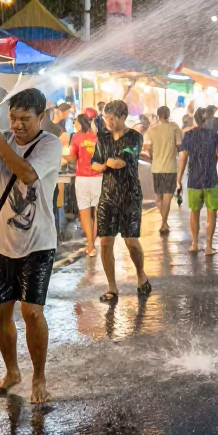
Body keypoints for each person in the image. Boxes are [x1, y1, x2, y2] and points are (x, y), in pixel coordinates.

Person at [0, 89, 63, 404]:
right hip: (3, 245)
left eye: (25, 119)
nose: (17, 125)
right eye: (13, 118)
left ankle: (39, 376)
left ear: (40, 117)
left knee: (32, 313)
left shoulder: (50, 144)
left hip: (39, 244)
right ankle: (12, 371)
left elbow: (28, 173)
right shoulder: (1, 137)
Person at [92, 100, 151, 302]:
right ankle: (111, 287)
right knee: (106, 242)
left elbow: (120, 162)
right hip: (107, 196)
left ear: (123, 117)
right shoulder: (102, 137)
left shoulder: (135, 137)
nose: (108, 122)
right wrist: (103, 164)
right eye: (106, 118)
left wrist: (106, 163)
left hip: (130, 196)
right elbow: (94, 163)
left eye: (112, 118)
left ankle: (141, 275)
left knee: (131, 241)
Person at [177, 111, 218, 255]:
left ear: (196, 119)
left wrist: (179, 178)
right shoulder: (214, 135)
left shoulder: (189, 135)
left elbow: (183, 158)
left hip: (194, 179)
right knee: (212, 213)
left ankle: (195, 244)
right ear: (207, 119)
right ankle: (209, 247)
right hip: (211, 179)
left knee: (195, 212)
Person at [144, 106, 183, 236]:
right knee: (167, 196)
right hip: (170, 167)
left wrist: (153, 157)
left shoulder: (151, 130)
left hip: (156, 167)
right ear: (168, 114)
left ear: (158, 115)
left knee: (158, 198)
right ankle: (164, 223)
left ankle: (164, 222)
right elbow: (179, 146)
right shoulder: (174, 128)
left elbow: (148, 148)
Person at [67, 114, 101, 256]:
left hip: (82, 179)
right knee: (98, 214)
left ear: (81, 123)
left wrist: (64, 157)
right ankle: (95, 242)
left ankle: (91, 246)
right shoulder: (101, 137)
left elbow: (72, 157)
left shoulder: (76, 137)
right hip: (99, 178)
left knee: (85, 213)